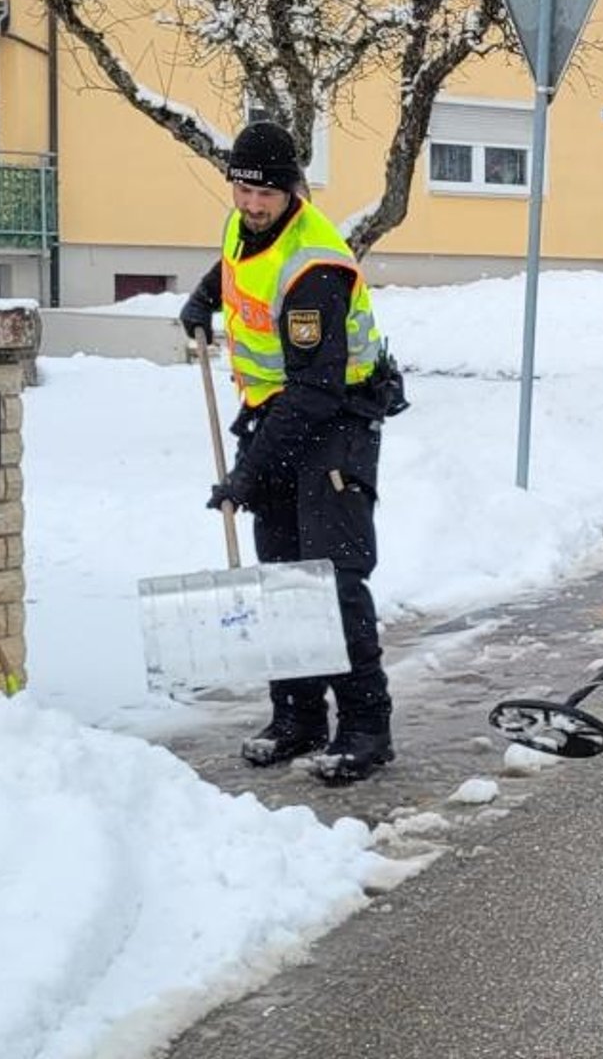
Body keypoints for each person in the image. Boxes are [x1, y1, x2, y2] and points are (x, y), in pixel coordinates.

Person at [178, 121, 407, 785]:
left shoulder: (316, 267)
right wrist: (203, 299)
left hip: (335, 417)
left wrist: (245, 474)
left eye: (266, 196)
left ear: (291, 193)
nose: (251, 206)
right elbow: (235, 265)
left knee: (331, 581)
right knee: (280, 577)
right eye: (242, 190)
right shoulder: (245, 228)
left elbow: (315, 388)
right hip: (277, 412)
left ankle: (366, 727)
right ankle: (298, 717)